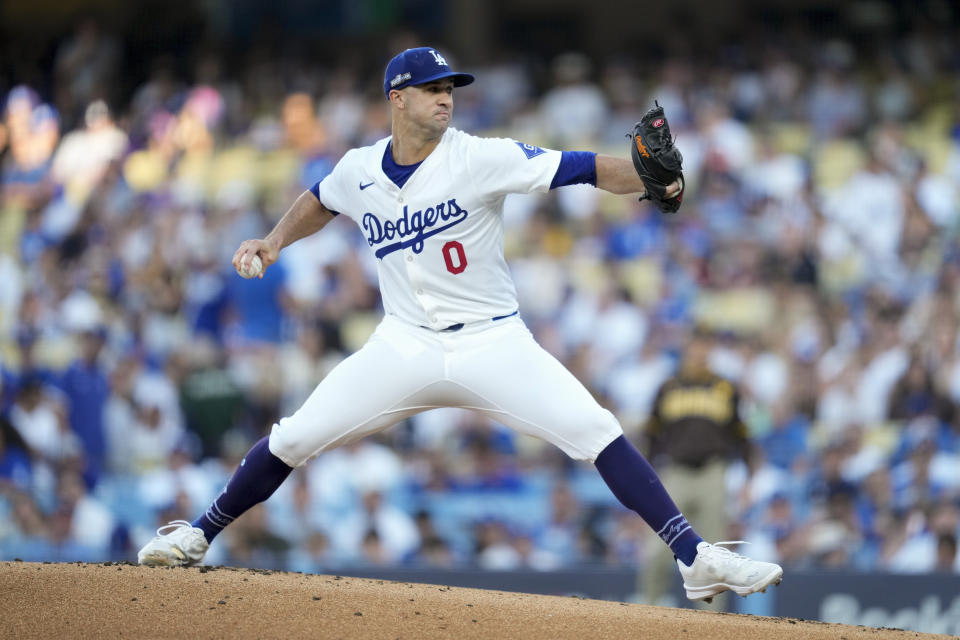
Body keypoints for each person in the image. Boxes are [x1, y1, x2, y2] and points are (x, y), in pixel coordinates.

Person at [137, 47, 782, 603]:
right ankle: (198, 534)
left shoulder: (479, 157)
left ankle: (695, 560)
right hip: (403, 343)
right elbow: (321, 200)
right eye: (434, 89)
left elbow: (580, 168)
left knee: (595, 429)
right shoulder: (359, 169)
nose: (447, 99)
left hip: (491, 340)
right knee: (296, 434)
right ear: (398, 97)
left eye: (451, 89)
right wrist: (275, 239)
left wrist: (649, 180)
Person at [639, 330, 749, 606]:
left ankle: (711, 625)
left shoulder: (725, 387)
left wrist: (747, 475)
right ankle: (644, 612)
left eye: (705, 346)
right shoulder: (668, 387)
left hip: (713, 471)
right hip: (676, 472)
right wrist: (647, 476)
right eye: (695, 346)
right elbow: (652, 434)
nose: (700, 352)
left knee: (715, 553)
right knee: (657, 549)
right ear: (687, 349)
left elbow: (740, 434)